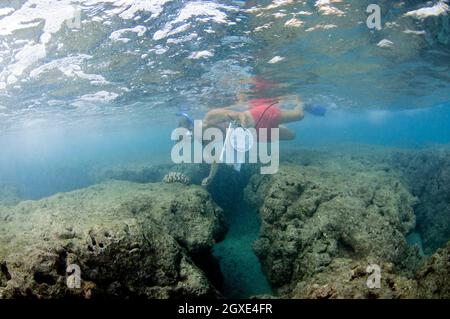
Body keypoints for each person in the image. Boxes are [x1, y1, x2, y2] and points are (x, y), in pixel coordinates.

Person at [199, 93, 305, 186]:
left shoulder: (210, 117)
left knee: (300, 115)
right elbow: (215, 159)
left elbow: (239, 115)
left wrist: (242, 128)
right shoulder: (207, 139)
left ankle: (301, 103)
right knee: (292, 135)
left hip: (260, 117)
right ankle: (278, 122)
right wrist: (210, 177)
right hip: (257, 135)